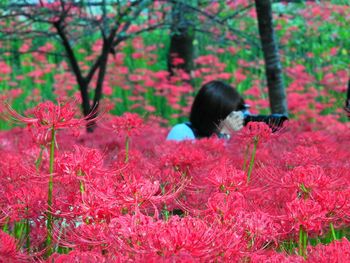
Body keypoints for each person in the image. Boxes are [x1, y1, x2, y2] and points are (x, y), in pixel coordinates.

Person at [167, 80, 249, 141]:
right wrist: (224, 134)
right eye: (230, 115)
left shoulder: (226, 136)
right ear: (213, 114)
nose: (236, 120)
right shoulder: (182, 131)